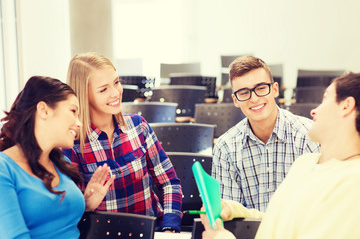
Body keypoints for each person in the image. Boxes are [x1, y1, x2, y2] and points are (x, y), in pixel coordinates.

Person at [201, 71, 360, 238]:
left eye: (325, 99)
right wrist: (233, 209)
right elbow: (281, 222)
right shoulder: (306, 163)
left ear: (346, 106)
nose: (314, 110)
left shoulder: (353, 184)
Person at [63, 52, 182, 232]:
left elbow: (169, 182)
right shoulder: (72, 144)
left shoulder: (138, 126)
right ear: (82, 95)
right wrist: (86, 204)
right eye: (103, 89)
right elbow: (67, 215)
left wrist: (170, 227)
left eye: (116, 82)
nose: (115, 93)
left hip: (151, 232)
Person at [0, 76, 115, 239]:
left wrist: (86, 205)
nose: (79, 123)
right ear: (44, 110)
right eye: (73, 111)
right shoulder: (4, 169)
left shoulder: (62, 163)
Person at [212, 56, 320, 211]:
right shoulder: (225, 147)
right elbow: (230, 216)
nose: (254, 98)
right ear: (235, 100)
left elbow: (317, 208)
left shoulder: (309, 136)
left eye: (261, 88)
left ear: (275, 89)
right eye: (243, 92)